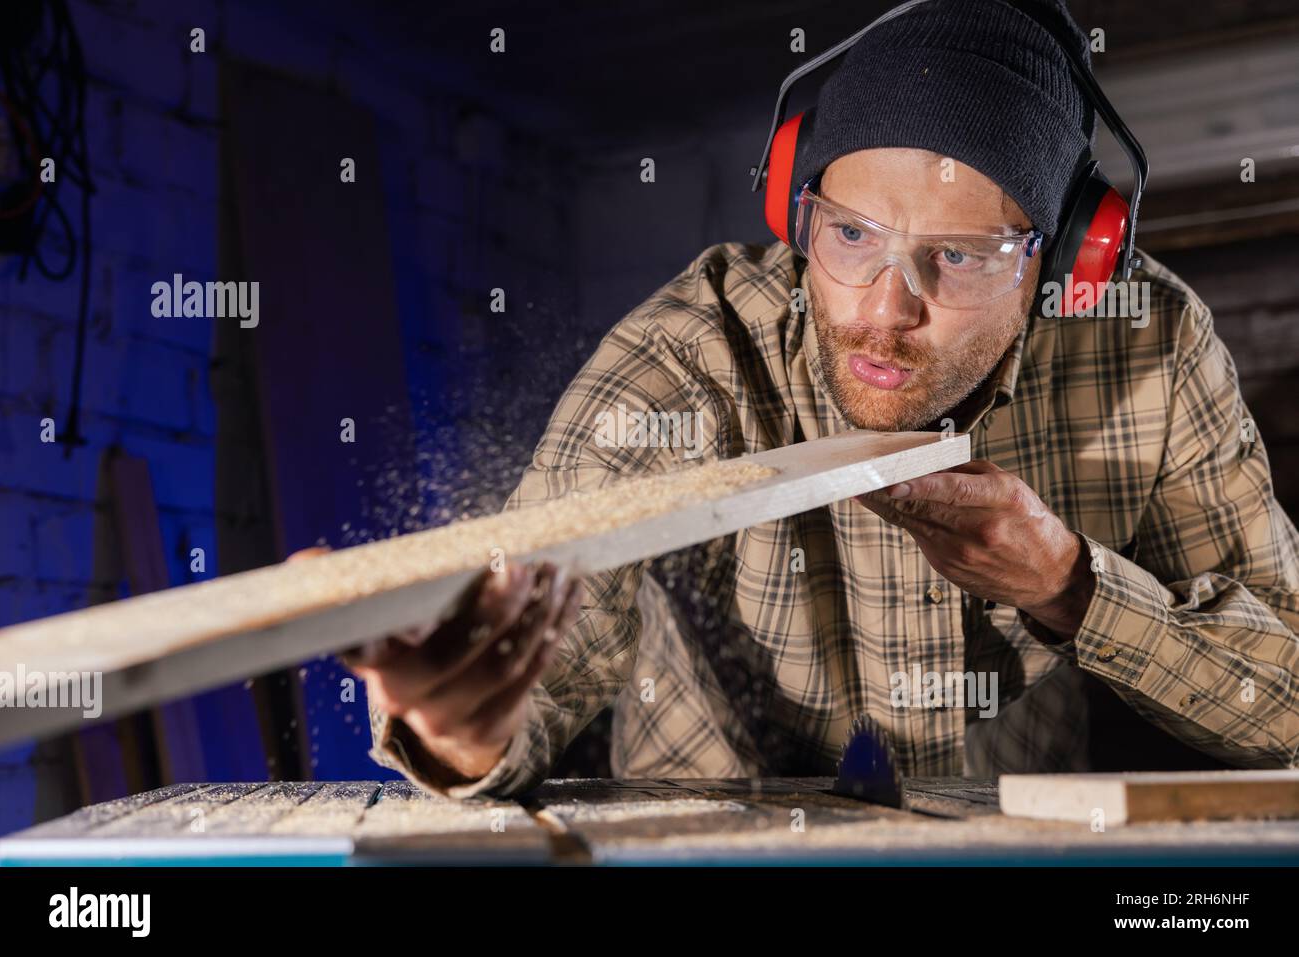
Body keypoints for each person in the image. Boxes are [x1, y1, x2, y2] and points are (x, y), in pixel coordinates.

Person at [331, 0, 1299, 797]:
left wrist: (1070, 588)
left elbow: (1287, 695)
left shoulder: (1147, 346)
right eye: (848, 238)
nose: (884, 310)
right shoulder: (690, 354)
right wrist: (463, 727)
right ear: (796, 206)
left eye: (954, 259)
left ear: (1063, 264)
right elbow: (547, 634)